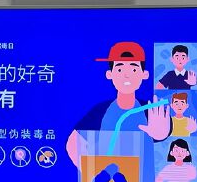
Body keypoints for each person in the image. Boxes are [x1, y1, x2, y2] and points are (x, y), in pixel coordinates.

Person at [66, 41, 169, 169]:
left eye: (133, 69)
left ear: (144, 74)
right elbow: (73, 142)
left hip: (141, 177)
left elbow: (171, 139)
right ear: (110, 74)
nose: (126, 75)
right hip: (107, 177)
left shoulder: (151, 111)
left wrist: (161, 135)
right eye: (119, 69)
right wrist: (90, 170)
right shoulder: (101, 111)